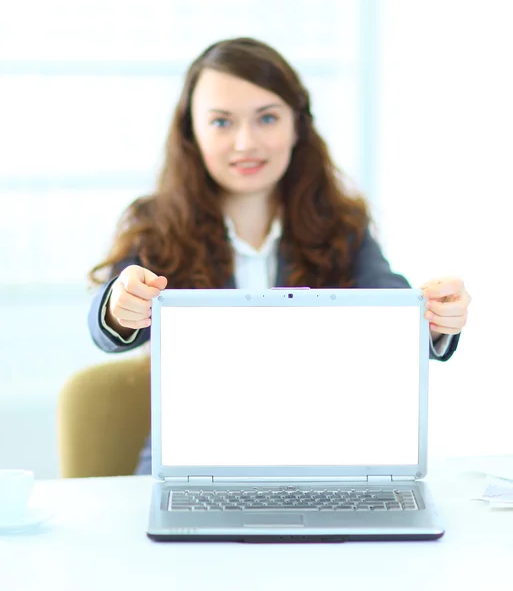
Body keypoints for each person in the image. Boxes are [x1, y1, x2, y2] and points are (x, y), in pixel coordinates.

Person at [88, 37, 471, 475]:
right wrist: (122, 308)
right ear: (191, 132)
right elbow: (106, 325)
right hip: (187, 464)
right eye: (221, 123)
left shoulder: (341, 223)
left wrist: (436, 319)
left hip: (323, 460)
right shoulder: (156, 224)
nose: (246, 142)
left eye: (267, 118)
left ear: (297, 126)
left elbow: (395, 310)